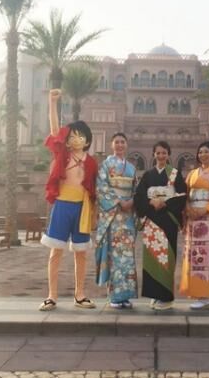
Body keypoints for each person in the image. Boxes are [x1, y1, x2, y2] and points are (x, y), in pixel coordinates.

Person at [39, 89, 98, 311]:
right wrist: (52, 103)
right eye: (72, 136)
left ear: (87, 140)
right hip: (62, 206)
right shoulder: (62, 154)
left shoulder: (91, 162)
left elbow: (94, 189)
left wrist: (94, 212)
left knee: (81, 252)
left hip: (82, 208)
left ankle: (80, 294)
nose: (76, 139)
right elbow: (55, 130)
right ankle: (51, 295)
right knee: (56, 251)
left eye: (80, 136)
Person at [134, 141, 187, 310]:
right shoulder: (148, 175)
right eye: (158, 153)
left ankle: (166, 298)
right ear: (153, 154)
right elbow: (139, 196)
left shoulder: (175, 174)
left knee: (166, 258)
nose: (161, 156)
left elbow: (182, 195)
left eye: (164, 153)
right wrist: (151, 201)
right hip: (152, 220)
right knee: (153, 257)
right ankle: (155, 294)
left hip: (168, 219)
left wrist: (165, 203)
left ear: (168, 154)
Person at [180, 141, 209, 310]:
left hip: (206, 219)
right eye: (200, 152)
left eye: (206, 151)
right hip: (192, 218)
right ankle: (196, 293)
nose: (203, 155)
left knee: (204, 257)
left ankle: (205, 297)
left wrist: (205, 209)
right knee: (192, 256)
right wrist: (187, 208)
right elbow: (185, 194)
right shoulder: (192, 174)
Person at [95, 132, 138, 309]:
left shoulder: (132, 168)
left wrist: (132, 201)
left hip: (127, 216)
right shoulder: (105, 165)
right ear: (111, 145)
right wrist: (119, 201)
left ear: (126, 145)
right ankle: (114, 295)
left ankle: (125, 295)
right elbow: (102, 187)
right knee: (114, 255)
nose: (120, 145)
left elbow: (136, 189)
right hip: (113, 215)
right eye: (117, 142)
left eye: (122, 142)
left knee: (127, 256)